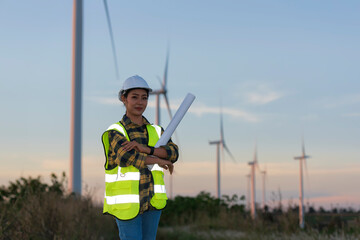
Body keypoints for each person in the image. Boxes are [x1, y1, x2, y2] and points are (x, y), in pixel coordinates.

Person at [101, 75, 179, 240]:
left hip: (152, 201)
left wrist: (147, 149)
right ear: (124, 98)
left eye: (144, 98)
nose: (140, 102)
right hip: (127, 206)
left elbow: (173, 152)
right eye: (134, 97)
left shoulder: (157, 131)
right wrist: (159, 159)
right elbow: (129, 158)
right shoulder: (115, 132)